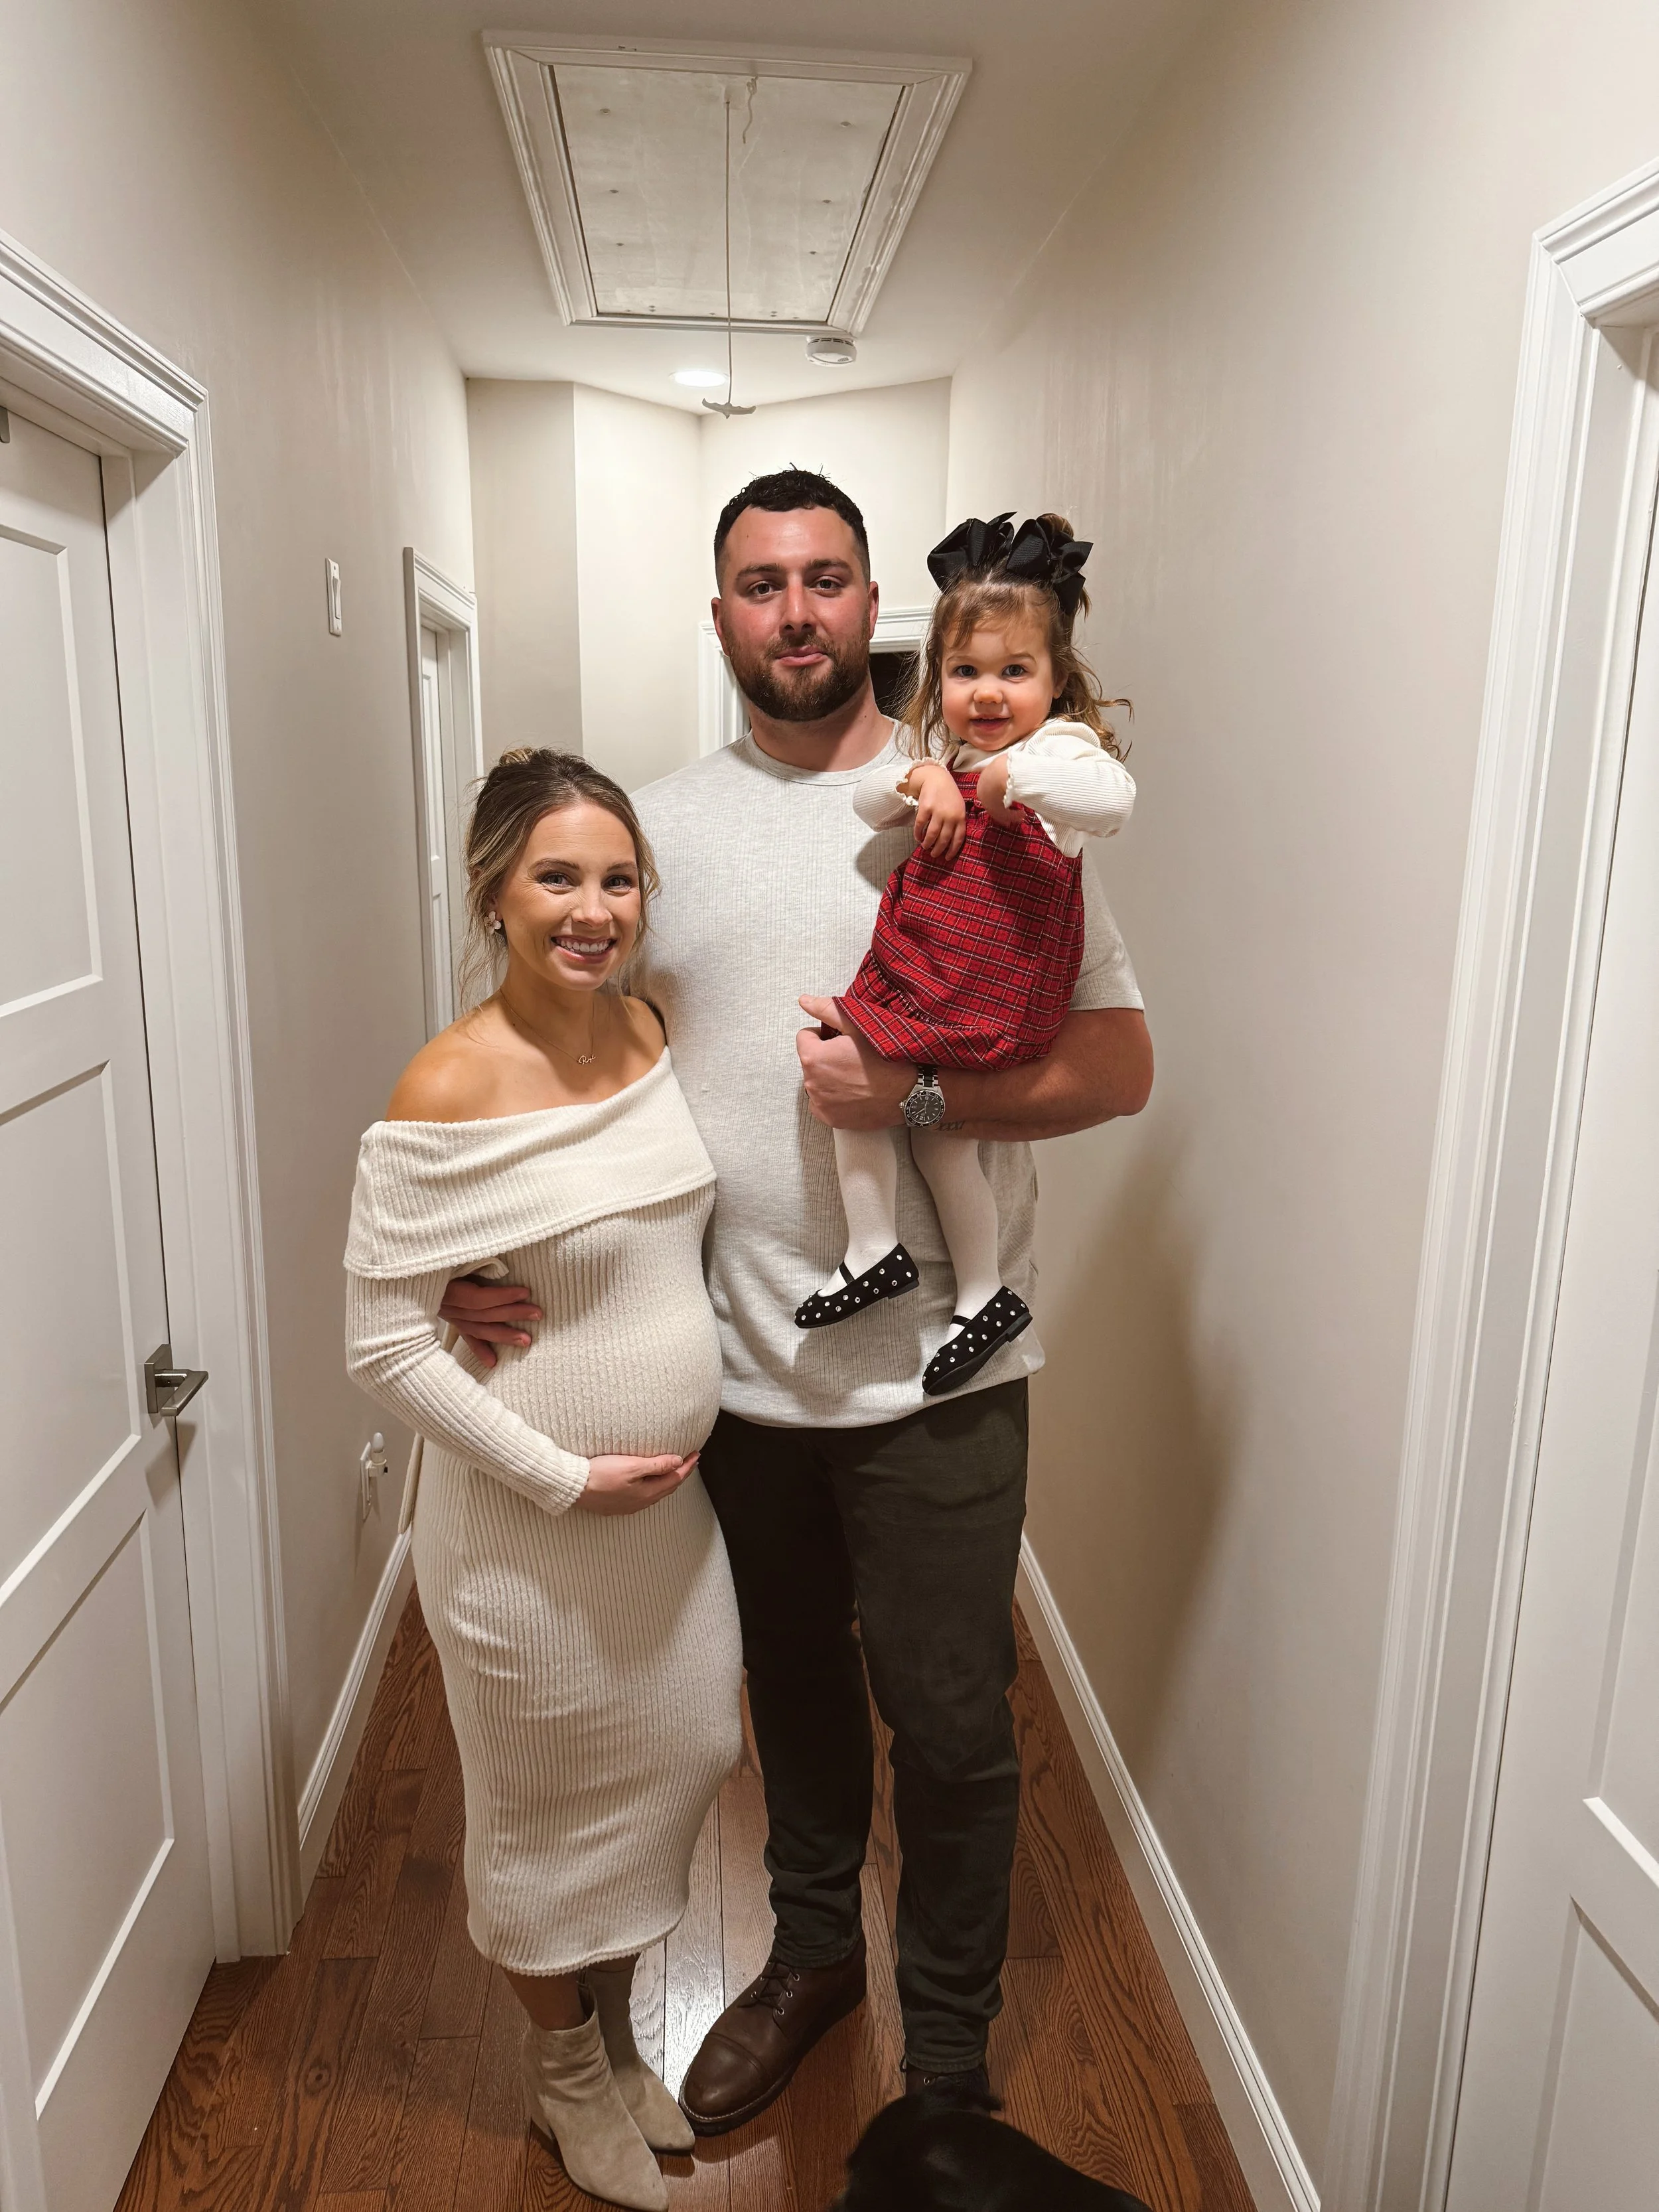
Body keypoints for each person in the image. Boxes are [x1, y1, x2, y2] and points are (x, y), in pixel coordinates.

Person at [440, 471, 1152, 2125]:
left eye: (825, 578)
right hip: (732, 1368)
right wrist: (481, 1256)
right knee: (795, 1693)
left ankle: (953, 2055)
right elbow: (560, 1066)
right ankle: (814, 1952)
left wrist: (907, 1107)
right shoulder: (659, 837)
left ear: (869, 604)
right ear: (719, 619)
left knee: (953, 1724)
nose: (796, 611)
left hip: (941, 1384)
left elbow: (1117, 1068)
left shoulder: (997, 812)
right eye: (760, 585)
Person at [344, 749, 741, 2212]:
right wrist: (560, 1475)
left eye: (616, 877)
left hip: (670, 1526)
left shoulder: (645, 1031)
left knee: (679, 1755)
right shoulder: (447, 1083)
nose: (592, 908)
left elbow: (638, 1240)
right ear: (495, 894)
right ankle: (566, 2079)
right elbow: (382, 1345)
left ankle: (622, 2039)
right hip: (525, 1533)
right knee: (541, 1819)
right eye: (556, 877)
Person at [799, 509, 1136, 1402]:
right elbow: (867, 802)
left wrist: (1013, 777)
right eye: (966, 672)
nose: (989, 694)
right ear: (937, 679)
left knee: (886, 1103)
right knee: (916, 1131)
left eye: (1015, 672)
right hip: (929, 981)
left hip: (988, 995)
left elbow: (1113, 799)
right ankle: (959, 1288)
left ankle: (903, 1261)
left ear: (1057, 682)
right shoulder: (936, 761)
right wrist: (923, 779)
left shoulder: (1059, 755)